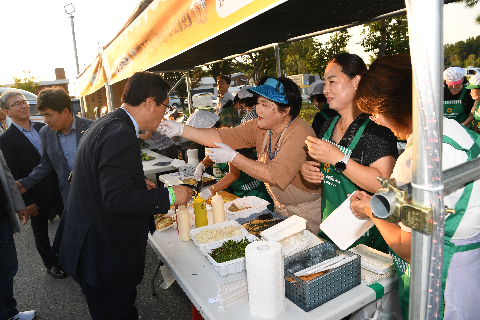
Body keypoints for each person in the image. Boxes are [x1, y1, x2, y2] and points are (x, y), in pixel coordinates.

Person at [350, 54, 480, 320]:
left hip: (443, 290)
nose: (374, 120)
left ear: (394, 106)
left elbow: (410, 247)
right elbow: (431, 211)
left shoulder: (418, 158)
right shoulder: (451, 130)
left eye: (375, 113)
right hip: (468, 274)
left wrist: (372, 212)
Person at [58, 72, 193, 320]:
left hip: (91, 246)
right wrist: (171, 195)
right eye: (165, 106)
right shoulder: (121, 133)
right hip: (102, 256)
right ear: (150, 102)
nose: (165, 113)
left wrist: (135, 182)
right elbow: (117, 200)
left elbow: (97, 174)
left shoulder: (108, 122)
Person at [160, 77, 322, 233]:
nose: (258, 109)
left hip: (305, 212)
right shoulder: (260, 127)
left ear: (286, 110)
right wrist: (182, 129)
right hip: (280, 206)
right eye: (258, 102)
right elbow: (223, 136)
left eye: (265, 104)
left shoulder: (300, 133)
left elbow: (273, 174)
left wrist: (233, 157)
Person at [300, 53, 397, 251]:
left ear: (356, 81)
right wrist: (307, 169)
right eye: (324, 82)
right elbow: (322, 169)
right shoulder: (328, 125)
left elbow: (384, 184)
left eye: (332, 81)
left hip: (366, 238)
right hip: (331, 229)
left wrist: (338, 158)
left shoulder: (376, 128)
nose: (325, 89)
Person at [0, 90, 66, 278]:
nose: (23, 105)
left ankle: (69, 256)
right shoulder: (6, 140)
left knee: (70, 224)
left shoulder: (43, 128)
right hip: (34, 193)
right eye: (16, 104)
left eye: (24, 101)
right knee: (41, 232)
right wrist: (26, 202)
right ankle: (50, 263)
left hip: (59, 187)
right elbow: (13, 172)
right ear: (6, 111)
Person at [16, 87, 94, 207]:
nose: (46, 120)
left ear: (65, 111)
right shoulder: (45, 133)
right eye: (43, 115)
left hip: (96, 194)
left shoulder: (92, 128)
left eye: (49, 115)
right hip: (70, 198)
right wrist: (25, 183)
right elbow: (46, 165)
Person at [0, 149, 36, 320]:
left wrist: (19, 204)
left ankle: (8, 313)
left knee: (7, 267)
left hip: (1, 219)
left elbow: (5, 175)